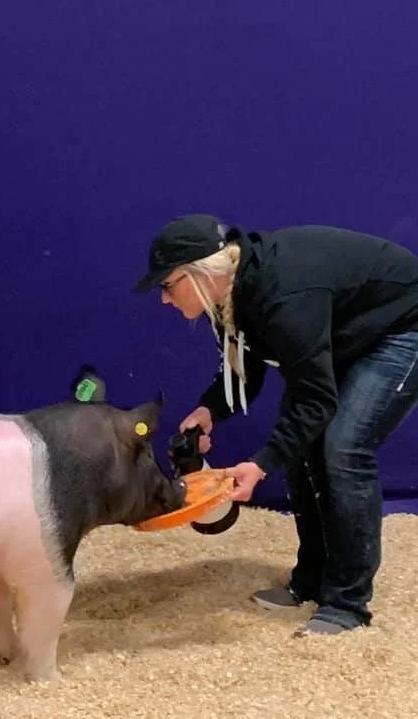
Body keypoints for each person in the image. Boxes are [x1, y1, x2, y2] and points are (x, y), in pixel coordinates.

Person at [134, 214, 418, 636]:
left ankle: (347, 604)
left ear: (199, 274)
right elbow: (246, 365)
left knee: (343, 449)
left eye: (167, 285)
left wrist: (261, 464)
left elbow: (316, 400)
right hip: (350, 331)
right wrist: (211, 409)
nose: (164, 299)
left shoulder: (285, 298)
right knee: (301, 448)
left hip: (402, 327)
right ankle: (311, 580)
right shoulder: (228, 294)